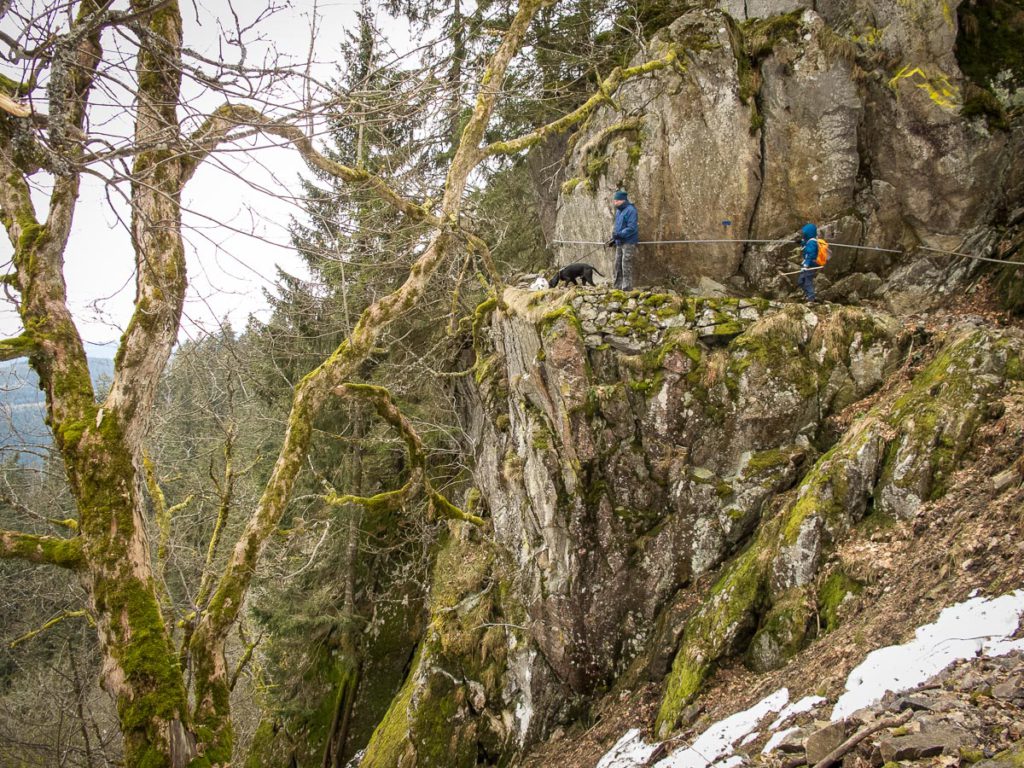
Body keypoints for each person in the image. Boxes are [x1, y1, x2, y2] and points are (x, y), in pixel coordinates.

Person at [606, 190, 639, 290]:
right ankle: (617, 286)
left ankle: (627, 288)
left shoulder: (631, 210)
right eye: (614, 201)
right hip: (619, 241)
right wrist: (614, 239)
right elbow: (617, 227)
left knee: (626, 264)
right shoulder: (619, 211)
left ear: (623, 200)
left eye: (617, 201)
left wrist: (619, 235)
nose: (615, 203)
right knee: (617, 264)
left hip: (629, 242)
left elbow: (632, 227)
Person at [798, 223, 820, 303]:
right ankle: (808, 295)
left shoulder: (812, 242)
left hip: (810, 265)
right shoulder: (809, 241)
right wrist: (800, 242)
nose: (803, 234)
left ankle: (811, 299)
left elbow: (811, 254)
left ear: (808, 233)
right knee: (801, 281)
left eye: (804, 233)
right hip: (806, 265)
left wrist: (806, 264)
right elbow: (805, 244)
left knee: (807, 281)